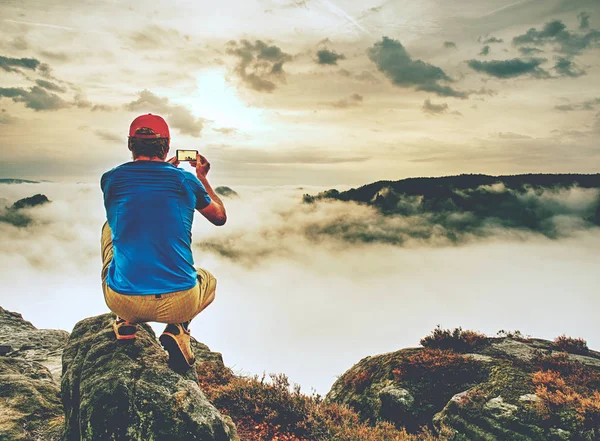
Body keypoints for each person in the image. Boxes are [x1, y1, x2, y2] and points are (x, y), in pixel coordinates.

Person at [100, 113, 227, 367]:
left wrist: (164, 169)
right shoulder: (185, 180)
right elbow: (219, 217)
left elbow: (138, 204)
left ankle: (125, 321)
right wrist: (201, 177)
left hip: (123, 299)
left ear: (130, 145)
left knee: (109, 229)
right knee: (208, 281)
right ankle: (178, 329)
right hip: (180, 301)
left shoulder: (111, 179)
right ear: (167, 146)